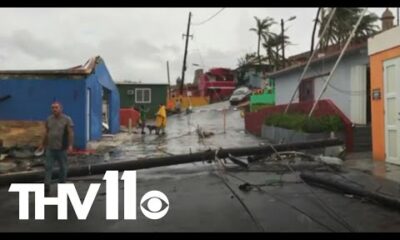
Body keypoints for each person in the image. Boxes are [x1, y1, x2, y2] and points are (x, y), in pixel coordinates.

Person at [37, 101, 74, 196]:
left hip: (62, 148)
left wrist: (70, 145)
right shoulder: (49, 119)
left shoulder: (67, 119)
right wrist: (42, 144)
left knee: (63, 167)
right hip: (50, 148)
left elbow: (70, 133)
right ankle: (47, 185)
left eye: (56, 107)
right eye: (53, 108)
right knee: (48, 167)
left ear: (61, 108)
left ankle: (62, 184)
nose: (54, 109)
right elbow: (46, 132)